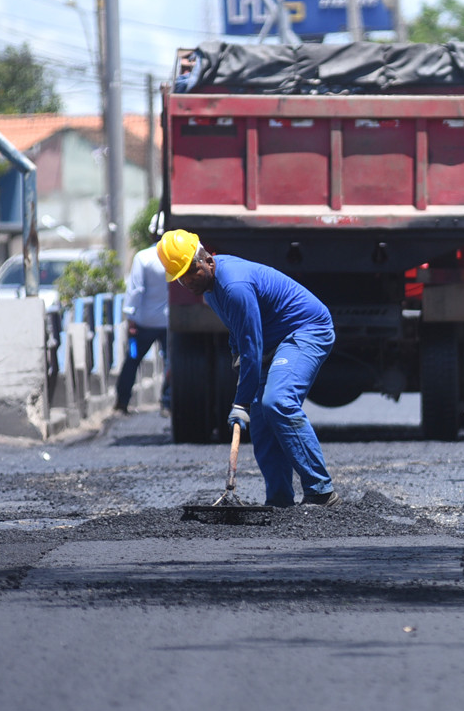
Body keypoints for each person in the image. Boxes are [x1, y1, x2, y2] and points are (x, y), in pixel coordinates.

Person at [157, 229, 340, 508]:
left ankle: (321, 492)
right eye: (180, 277)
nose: (187, 280)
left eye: (190, 271)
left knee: (278, 401)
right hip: (275, 339)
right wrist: (236, 354)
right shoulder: (212, 292)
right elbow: (240, 332)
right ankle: (279, 501)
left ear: (206, 259)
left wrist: (240, 401)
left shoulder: (234, 286)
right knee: (263, 421)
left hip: (306, 331)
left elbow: (252, 348)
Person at [115, 213, 170, 415]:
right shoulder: (173, 257)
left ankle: (122, 402)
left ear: (151, 233)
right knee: (170, 362)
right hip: (169, 323)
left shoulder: (143, 257)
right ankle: (167, 403)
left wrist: (130, 318)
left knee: (133, 359)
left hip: (144, 323)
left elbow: (135, 291)